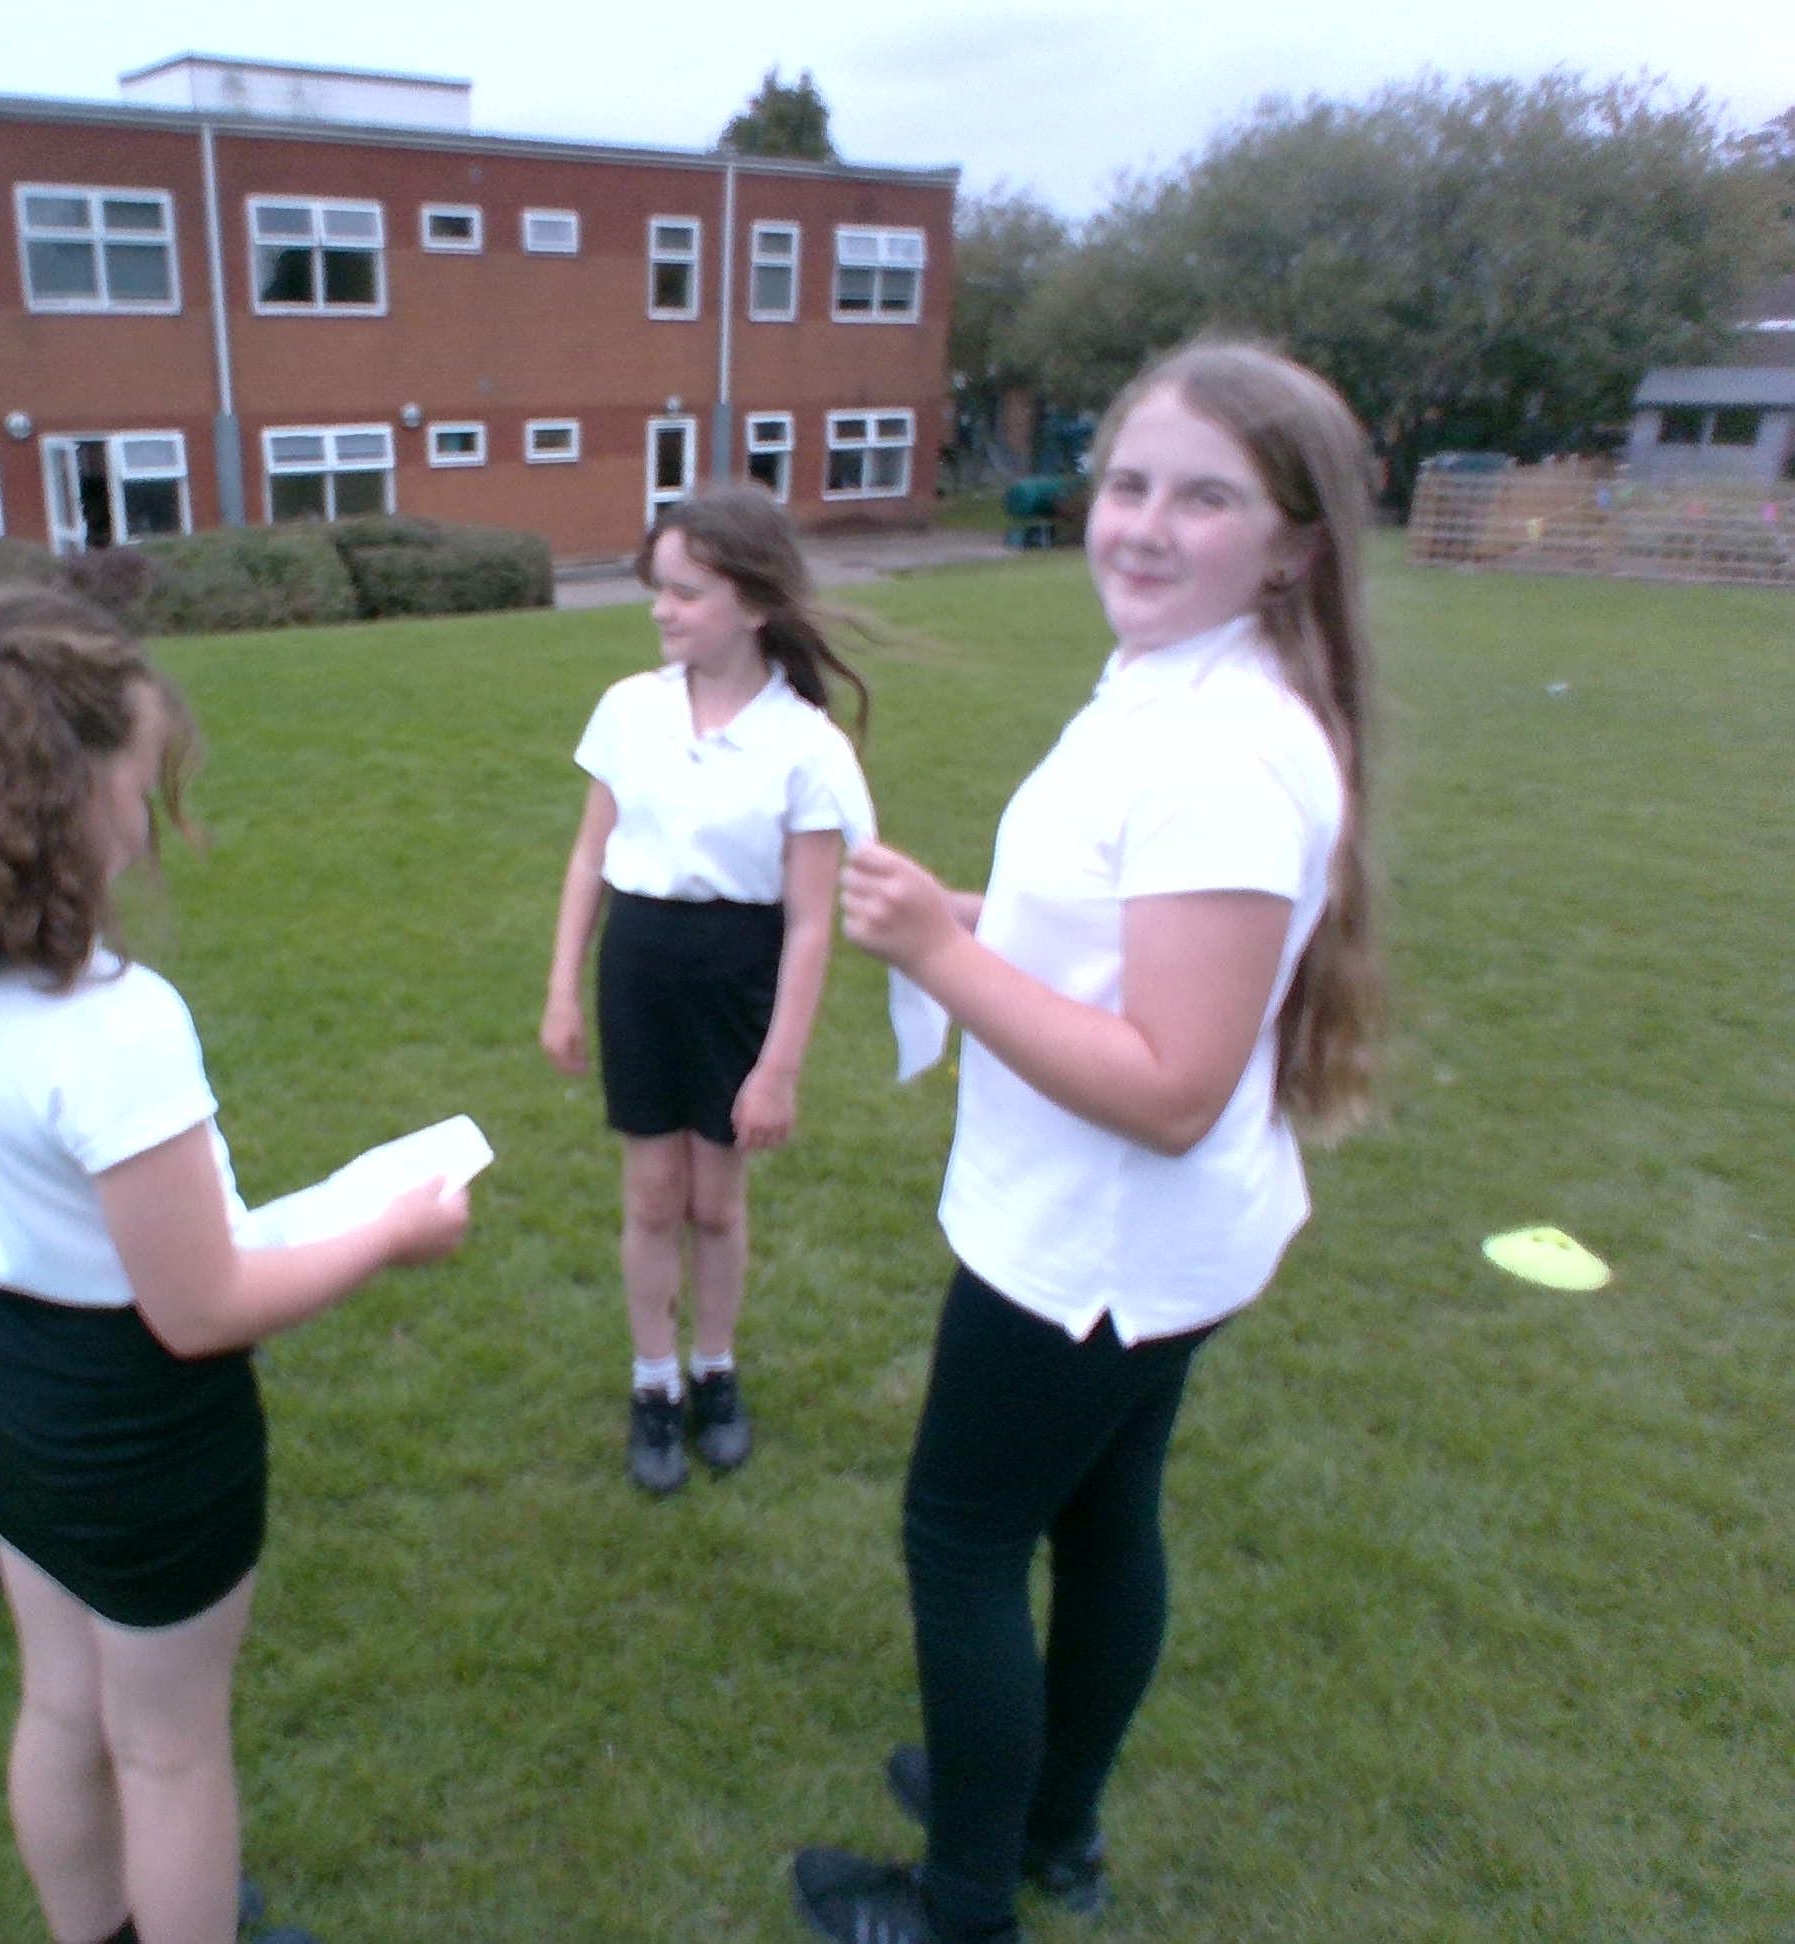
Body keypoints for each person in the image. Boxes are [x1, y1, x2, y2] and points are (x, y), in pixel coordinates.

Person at [0, 583, 469, 1944]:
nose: (146, 811)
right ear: (63, 800)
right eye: (138, 778)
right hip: (131, 1420)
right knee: (171, 1750)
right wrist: (390, 1230)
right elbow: (201, 1310)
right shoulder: (114, 1026)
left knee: (64, 1701)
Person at [790, 340, 1384, 1944]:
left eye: (1205, 498)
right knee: (1105, 1521)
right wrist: (981, 916)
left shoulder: (1217, 751)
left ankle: (967, 1904)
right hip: (1149, 1244)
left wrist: (938, 953)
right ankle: (1048, 1823)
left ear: (1293, 544)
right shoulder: (1178, 685)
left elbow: (1173, 1083)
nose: (1143, 524)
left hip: (1093, 1248)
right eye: (1128, 482)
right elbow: (1128, 933)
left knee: (964, 1544)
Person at [541, 485, 875, 1494]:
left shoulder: (807, 746)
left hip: (738, 977)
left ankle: (714, 1369)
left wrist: (779, 1069)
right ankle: (655, 1381)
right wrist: (562, 990)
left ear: (755, 604)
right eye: (659, 588)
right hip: (639, 966)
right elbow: (590, 856)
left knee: (717, 1203)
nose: (662, 608)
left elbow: (809, 922)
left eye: (686, 592)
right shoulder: (629, 710)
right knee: (653, 1193)